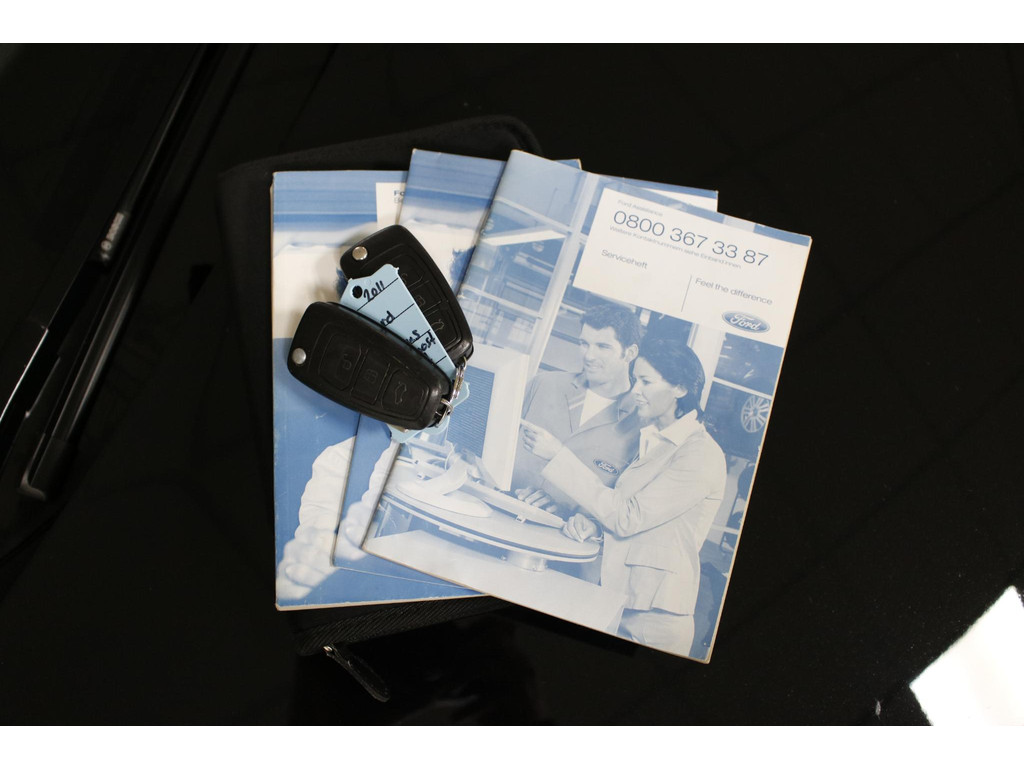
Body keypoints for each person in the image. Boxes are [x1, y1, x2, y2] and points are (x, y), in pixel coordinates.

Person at [520, 335, 727, 655]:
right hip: (616, 597)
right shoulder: (654, 439)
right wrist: (594, 525)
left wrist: (558, 455)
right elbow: (639, 514)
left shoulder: (700, 454)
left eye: (646, 382)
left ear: (680, 388)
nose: (635, 391)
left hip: (653, 618)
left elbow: (629, 517)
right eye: (635, 380)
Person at [512, 302, 643, 513]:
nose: (589, 356)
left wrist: (571, 513)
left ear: (630, 353)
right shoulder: (544, 383)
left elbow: (623, 507)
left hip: (562, 529)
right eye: (584, 343)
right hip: (499, 507)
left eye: (603, 346)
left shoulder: (641, 424)